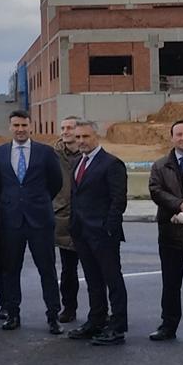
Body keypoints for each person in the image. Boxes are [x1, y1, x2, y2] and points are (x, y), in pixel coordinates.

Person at [0, 109, 64, 335]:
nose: (20, 130)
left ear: (30, 126)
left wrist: (37, 201)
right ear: (9, 127)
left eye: (24, 125)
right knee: (11, 269)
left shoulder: (45, 152)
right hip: (10, 221)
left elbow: (56, 182)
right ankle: (13, 314)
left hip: (40, 220)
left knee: (47, 269)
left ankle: (53, 316)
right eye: (16, 125)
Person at [66, 120, 128, 346]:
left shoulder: (112, 164)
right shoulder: (78, 163)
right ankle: (96, 320)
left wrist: (108, 229)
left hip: (104, 234)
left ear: (96, 136)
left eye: (86, 137)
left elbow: (118, 201)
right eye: (78, 137)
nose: (81, 141)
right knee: (92, 280)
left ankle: (118, 327)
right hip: (81, 233)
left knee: (113, 280)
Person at [148, 119, 183, 342]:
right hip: (170, 234)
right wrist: (179, 205)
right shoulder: (160, 165)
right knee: (171, 284)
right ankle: (168, 326)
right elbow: (155, 190)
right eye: (179, 134)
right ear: (172, 137)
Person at [52, 115, 81, 323]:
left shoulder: (88, 154)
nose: (65, 131)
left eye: (70, 127)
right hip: (62, 218)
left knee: (95, 269)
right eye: (63, 127)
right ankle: (69, 307)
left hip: (87, 219)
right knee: (68, 269)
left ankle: (100, 310)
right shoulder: (52, 155)